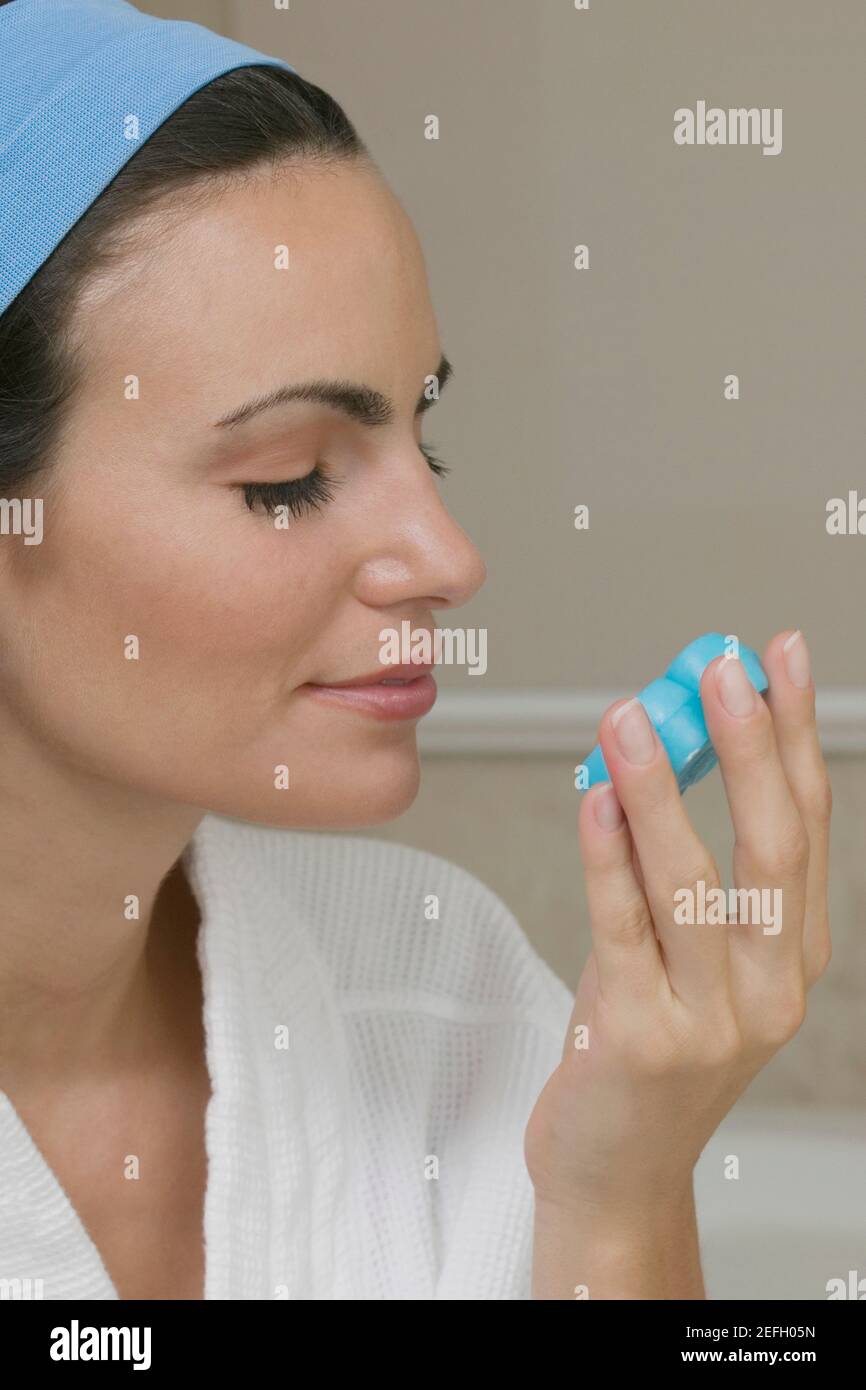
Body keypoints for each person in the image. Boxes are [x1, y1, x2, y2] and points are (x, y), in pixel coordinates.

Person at [0, 0, 831, 1301]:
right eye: (286, 478)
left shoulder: (438, 988)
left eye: (419, 440)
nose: (448, 557)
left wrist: (618, 1192)